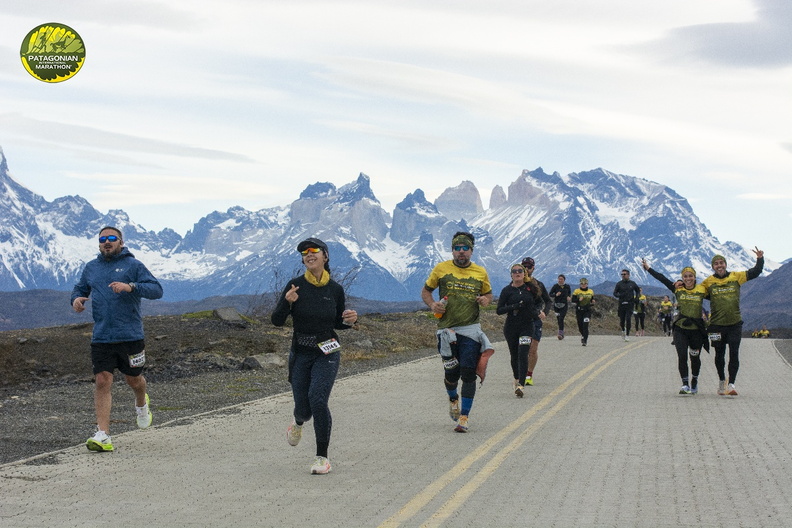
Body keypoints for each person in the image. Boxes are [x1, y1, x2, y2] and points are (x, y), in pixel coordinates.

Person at [71, 226, 163, 452]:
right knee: (102, 380)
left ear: (121, 242)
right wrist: (76, 299)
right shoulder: (91, 267)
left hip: (130, 335)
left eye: (112, 238)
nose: (107, 242)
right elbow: (80, 288)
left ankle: (141, 403)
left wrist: (130, 287)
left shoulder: (133, 265)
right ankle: (103, 435)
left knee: (134, 380)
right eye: (102, 239)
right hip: (102, 335)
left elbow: (156, 290)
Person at [271, 238, 358, 475]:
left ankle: (322, 457)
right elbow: (276, 321)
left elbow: (338, 322)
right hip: (301, 352)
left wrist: (350, 321)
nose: (309, 254)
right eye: (304, 252)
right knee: (304, 409)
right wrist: (287, 304)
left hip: (327, 352)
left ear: (325, 256)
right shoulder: (295, 286)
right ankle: (298, 422)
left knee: (318, 399)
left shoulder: (335, 289)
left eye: (314, 250)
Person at [422, 231, 494, 433]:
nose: (461, 252)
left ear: (471, 250)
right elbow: (426, 291)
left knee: (468, 373)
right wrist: (432, 305)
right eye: (457, 248)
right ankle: (453, 398)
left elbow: (488, 294)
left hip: (471, 331)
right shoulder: (441, 269)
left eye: (465, 248)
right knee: (451, 373)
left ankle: (464, 417)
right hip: (446, 331)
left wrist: (485, 300)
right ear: (452, 250)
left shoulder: (480, 272)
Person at [702, 249, 764, 396]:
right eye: (716, 264)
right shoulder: (708, 282)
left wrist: (760, 259)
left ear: (725, 264)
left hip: (734, 324)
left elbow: (755, 272)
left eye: (721, 263)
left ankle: (731, 384)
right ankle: (721, 380)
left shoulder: (736, 276)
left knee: (734, 353)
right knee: (719, 355)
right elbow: (695, 292)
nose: (719, 266)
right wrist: (679, 285)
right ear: (713, 267)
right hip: (716, 325)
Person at [642, 260, 709, 394]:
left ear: (695, 277)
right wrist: (648, 269)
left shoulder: (702, 290)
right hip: (680, 329)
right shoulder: (678, 288)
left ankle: (694, 380)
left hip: (696, 330)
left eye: (690, 276)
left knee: (695, 357)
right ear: (682, 278)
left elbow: (718, 297)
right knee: (682, 356)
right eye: (685, 276)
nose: (688, 279)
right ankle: (685, 384)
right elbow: (662, 278)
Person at [496, 263, 537, 398]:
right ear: (511, 275)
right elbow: (499, 310)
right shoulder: (507, 290)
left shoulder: (531, 289)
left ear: (524, 274)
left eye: (520, 271)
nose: (517, 273)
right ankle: (516, 378)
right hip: (511, 327)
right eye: (514, 271)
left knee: (523, 353)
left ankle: (521, 385)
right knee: (514, 355)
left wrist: (539, 312)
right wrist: (514, 306)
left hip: (527, 326)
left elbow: (541, 302)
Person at [522, 257, 551, 386]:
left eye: (529, 267)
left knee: (532, 350)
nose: (526, 269)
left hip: (535, 320)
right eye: (524, 266)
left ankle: (529, 375)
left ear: (533, 268)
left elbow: (548, 301)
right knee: (522, 349)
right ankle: (520, 373)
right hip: (521, 320)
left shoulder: (539, 284)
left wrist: (545, 312)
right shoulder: (517, 283)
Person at [613, 269, 640, 341]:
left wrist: (637, 298)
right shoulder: (619, 284)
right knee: (622, 320)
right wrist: (619, 295)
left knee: (628, 319)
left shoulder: (632, 283)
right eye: (622, 274)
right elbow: (614, 293)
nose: (623, 276)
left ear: (628, 275)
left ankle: (627, 334)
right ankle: (623, 330)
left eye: (624, 274)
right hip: (622, 304)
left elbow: (637, 291)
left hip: (630, 304)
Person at [572, 278, 595, 346]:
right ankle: (583, 334)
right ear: (580, 284)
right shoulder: (576, 291)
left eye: (585, 284)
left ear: (587, 284)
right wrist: (578, 299)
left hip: (587, 311)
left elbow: (592, 299)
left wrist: (593, 301)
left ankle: (585, 340)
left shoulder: (591, 291)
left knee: (585, 325)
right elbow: (573, 300)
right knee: (580, 326)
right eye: (582, 284)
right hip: (579, 311)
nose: (583, 285)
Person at [549, 274, 572, 340]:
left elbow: (569, 294)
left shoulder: (567, 286)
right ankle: (561, 333)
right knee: (559, 319)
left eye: (561, 279)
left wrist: (569, 297)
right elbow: (550, 294)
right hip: (556, 305)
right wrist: (556, 295)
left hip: (564, 305)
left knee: (561, 318)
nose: (560, 280)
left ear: (564, 280)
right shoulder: (555, 286)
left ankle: (560, 334)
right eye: (559, 279)